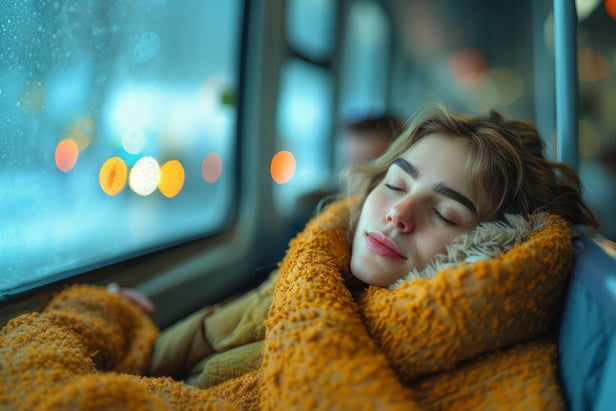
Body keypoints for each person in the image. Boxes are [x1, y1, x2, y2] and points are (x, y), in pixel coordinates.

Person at [0, 107, 598, 410]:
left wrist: (88, 316)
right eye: (395, 182)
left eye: (446, 214)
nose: (398, 214)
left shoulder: (474, 367)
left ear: (490, 248)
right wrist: (123, 327)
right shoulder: (312, 271)